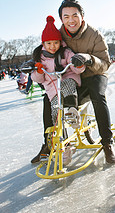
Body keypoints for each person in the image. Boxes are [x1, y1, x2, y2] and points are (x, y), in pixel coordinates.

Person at [31, 0, 115, 164]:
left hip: (94, 74)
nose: (71, 20)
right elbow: (46, 51)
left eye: (75, 15)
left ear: (82, 16)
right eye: (66, 17)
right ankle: (49, 143)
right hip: (70, 78)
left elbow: (105, 64)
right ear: (61, 19)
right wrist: (34, 64)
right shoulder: (58, 35)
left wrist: (89, 59)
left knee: (97, 94)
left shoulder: (94, 35)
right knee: (48, 99)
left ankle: (107, 142)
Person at [30, 16, 85, 163]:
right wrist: (39, 72)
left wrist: (77, 64)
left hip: (67, 81)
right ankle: (65, 145)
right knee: (56, 116)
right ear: (43, 43)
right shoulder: (39, 57)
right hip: (52, 90)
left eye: (55, 43)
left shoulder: (65, 52)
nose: (53, 46)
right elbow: (36, 79)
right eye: (49, 43)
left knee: (68, 86)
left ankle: (72, 111)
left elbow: (75, 66)